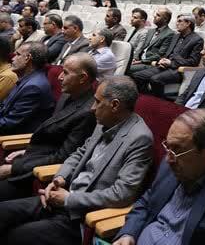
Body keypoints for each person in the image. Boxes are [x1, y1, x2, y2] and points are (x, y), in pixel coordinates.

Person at [0, 76, 153, 245]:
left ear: (115, 105)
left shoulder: (139, 138)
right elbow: (79, 153)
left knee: (16, 236)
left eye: (97, 102)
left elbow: (122, 194)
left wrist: (69, 199)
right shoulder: (104, 120)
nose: (92, 108)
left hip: (80, 217)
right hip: (61, 198)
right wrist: (59, 178)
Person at [112, 109, 205, 245]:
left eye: (177, 149)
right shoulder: (173, 163)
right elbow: (146, 203)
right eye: (168, 146)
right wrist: (128, 234)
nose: (168, 158)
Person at [0, 53, 97, 201]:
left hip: (39, 174)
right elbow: (50, 135)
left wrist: (14, 169)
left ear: (83, 78)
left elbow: (62, 157)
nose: (60, 77)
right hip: (33, 157)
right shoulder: (67, 95)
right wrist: (26, 150)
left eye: (66, 73)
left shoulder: (88, 113)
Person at [131, 14, 203, 98]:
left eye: (180, 21)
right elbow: (167, 53)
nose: (176, 23)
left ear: (188, 23)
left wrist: (171, 63)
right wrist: (162, 60)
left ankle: (158, 101)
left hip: (178, 70)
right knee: (137, 76)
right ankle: (146, 98)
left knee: (155, 79)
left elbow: (193, 62)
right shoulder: (176, 36)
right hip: (165, 66)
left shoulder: (197, 40)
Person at [0, 42, 54, 135]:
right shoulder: (28, 79)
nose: (13, 59)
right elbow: (4, 106)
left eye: (18, 54)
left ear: (27, 58)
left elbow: (10, 123)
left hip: (14, 138)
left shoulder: (34, 87)